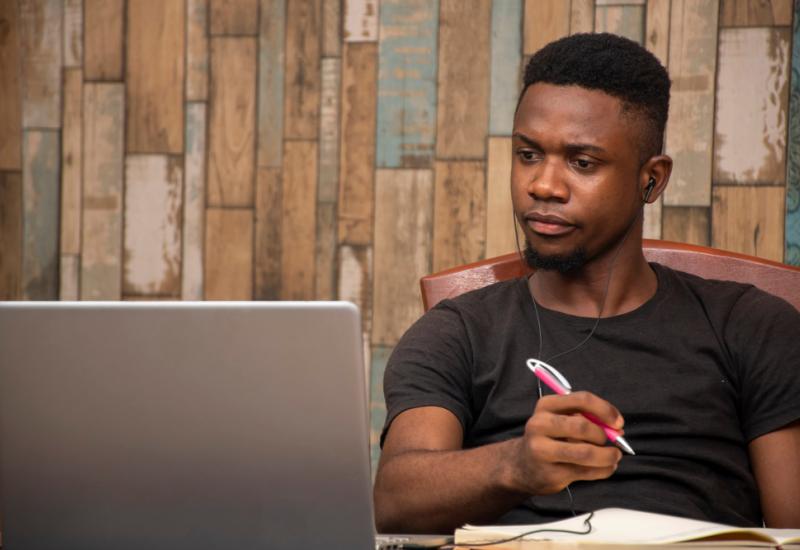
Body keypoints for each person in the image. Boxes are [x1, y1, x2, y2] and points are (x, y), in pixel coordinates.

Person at [373, 33, 800, 534]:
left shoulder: (750, 326)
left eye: (582, 163)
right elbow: (392, 503)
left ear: (652, 180)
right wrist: (514, 466)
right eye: (528, 155)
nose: (544, 186)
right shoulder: (458, 332)